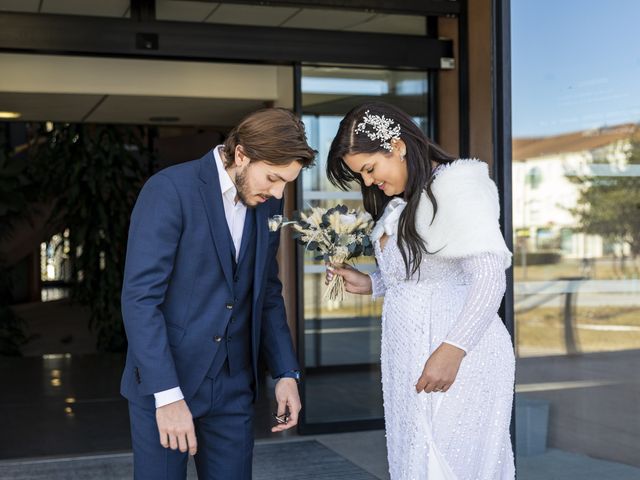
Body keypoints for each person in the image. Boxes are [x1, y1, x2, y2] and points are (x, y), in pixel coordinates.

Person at [120, 108, 315, 480]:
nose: (278, 193)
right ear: (241, 155)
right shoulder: (169, 190)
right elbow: (140, 299)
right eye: (274, 178)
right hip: (167, 383)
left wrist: (286, 372)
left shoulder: (267, 202)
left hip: (233, 387)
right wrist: (167, 396)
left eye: (285, 184)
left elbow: (267, 292)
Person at [325, 102, 515, 479]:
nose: (367, 182)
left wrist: (452, 350)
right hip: (409, 355)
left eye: (369, 169)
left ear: (396, 146)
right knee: (415, 461)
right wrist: (372, 283)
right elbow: (420, 276)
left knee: (448, 465)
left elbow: (489, 277)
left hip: (457, 352)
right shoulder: (404, 199)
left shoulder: (458, 185)